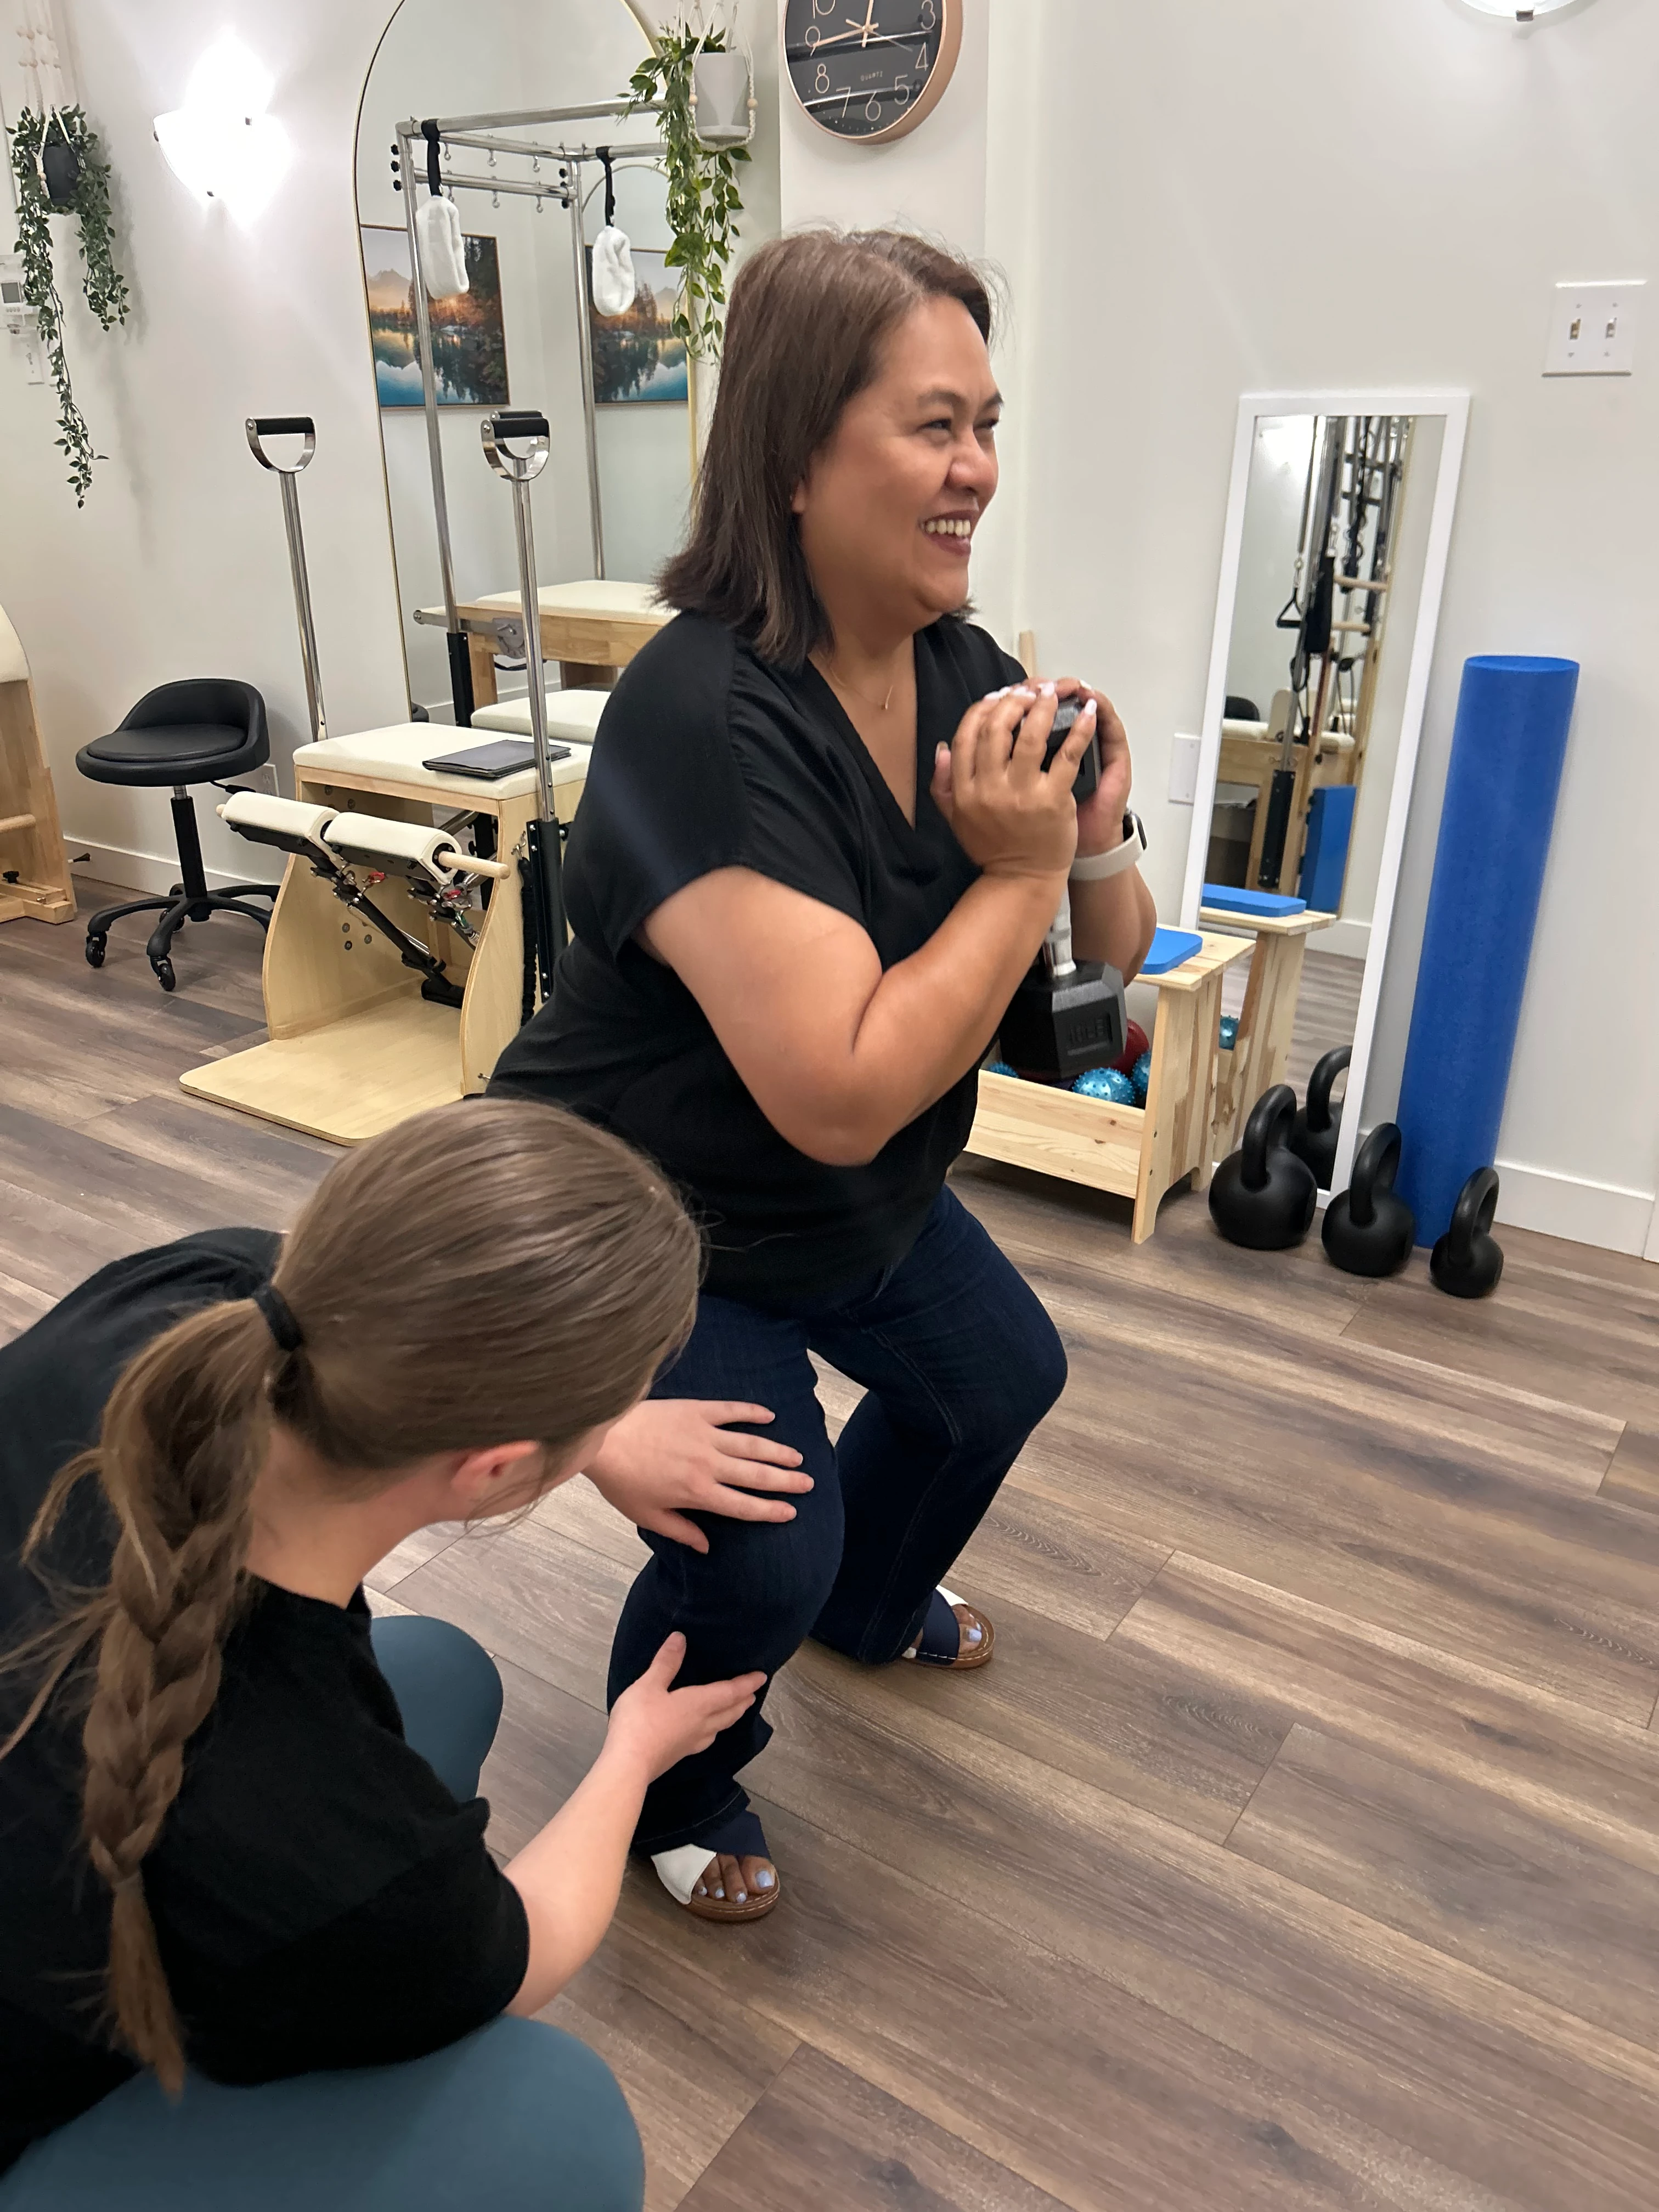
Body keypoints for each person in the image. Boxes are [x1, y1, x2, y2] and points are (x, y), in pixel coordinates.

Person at [489, 229, 1158, 1921]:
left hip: (845, 1197)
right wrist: (1019, 873)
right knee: (764, 1543)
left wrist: (1090, 842)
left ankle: (864, 1609)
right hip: (655, 1220)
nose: (978, 468)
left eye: (988, 426)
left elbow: (1108, 980)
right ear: (797, 455)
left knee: (997, 1382)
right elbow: (844, 1087)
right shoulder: (700, 716)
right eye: (936, 426)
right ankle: (674, 1782)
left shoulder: (965, 675)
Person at [0, 1098, 793, 2211]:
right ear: (495, 1469)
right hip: (31, 2081)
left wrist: (587, 1432)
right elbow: (524, 1951)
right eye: (619, 1409)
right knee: (555, 2118)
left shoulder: (202, 1290)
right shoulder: (314, 1827)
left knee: (443, 1676)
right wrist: (632, 1755)